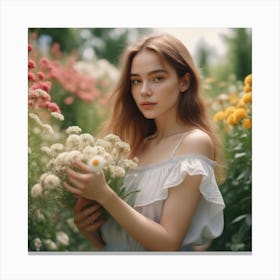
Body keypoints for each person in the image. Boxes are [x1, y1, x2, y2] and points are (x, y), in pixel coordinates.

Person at [63, 33, 225, 251]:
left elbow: (168, 244)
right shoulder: (132, 146)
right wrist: (89, 231)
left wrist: (105, 196)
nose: (144, 91)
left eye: (157, 78)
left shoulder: (194, 142)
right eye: (136, 81)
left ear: (184, 82)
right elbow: (117, 244)